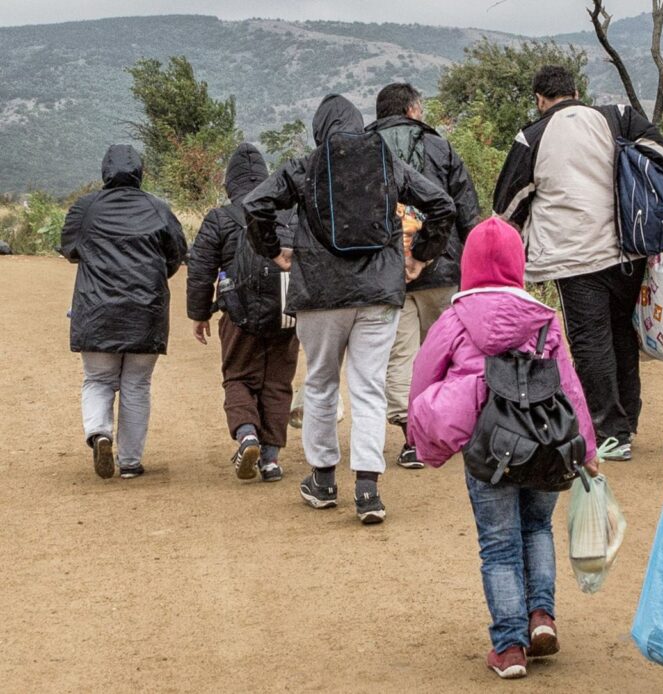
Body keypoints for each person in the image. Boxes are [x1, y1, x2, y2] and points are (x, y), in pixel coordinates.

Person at [244, 94, 455, 524]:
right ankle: (367, 490)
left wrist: (275, 251)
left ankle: (323, 480)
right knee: (369, 386)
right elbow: (442, 205)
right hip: (379, 292)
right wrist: (421, 255)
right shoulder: (386, 161)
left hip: (319, 293)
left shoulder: (307, 165)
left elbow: (256, 204)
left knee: (321, 382)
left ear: (319, 130)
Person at [408, 218, 599, 680]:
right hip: (547, 444)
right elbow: (570, 386)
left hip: (489, 447)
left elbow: (423, 377)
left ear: (468, 264)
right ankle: (542, 617)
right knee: (538, 528)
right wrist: (587, 451)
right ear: (518, 264)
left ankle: (510, 646)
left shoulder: (455, 318)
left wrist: (422, 438)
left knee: (498, 546)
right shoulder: (544, 318)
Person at [493, 64, 663, 462]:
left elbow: (506, 204)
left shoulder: (533, 136)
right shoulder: (619, 117)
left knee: (591, 340)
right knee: (621, 331)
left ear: (540, 100)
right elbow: (662, 157)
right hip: (629, 248)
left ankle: (610, 431)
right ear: (577, 91)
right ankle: (627, 420)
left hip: (573, 257)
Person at [366, 82, 480, 470]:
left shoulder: (366, 150)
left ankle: (411, 438)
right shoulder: (440, 148)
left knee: (400, 356)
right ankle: (448, 430)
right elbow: (466, 211)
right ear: (413, 110)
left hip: (386, 274)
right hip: (442, 269)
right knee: (446, 352)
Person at [60, 144, 187, 479]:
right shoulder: (158, 208)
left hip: (96, 312)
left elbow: (69, 249)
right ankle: (130, 462)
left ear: (105, 171)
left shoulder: (86, 207)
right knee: (137, 385)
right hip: (146, 313)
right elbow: (176, 254)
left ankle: (99, 433)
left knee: (98, 379)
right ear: (139, 172)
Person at [186, 142, 299, 483]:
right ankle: (271, 459)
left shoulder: (220, 218)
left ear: (229, 183)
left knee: (238, 377)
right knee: (278, 382)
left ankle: (247, 435)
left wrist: (200, 313)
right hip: (286, 314)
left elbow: (200, 270)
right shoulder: (289, 213)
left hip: (239, 315)